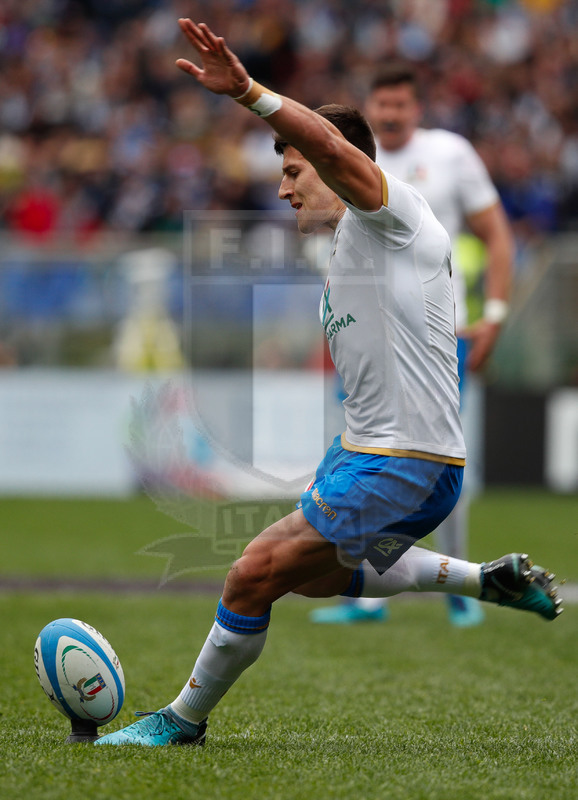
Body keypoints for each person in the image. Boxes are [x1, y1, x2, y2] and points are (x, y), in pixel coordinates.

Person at [95, 20, 562, 748]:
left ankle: (180, 722)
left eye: (293, 172)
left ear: (334, 165)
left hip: (404, 462)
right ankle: (483, 580)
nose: (284, 190)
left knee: (252, 572)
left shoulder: (394, 217)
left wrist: (248, 91)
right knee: (308, 579)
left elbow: (336, 148)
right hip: (368, 454)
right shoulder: (345, 250)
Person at [311, 63, 514, 628]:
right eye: (382, 105)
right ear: (370, 110)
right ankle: (373, 595)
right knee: (365, 459)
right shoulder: (353, 160)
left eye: (401, 104)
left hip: (434, 339)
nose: (392, 114)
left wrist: (494, 314)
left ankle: (458, 588)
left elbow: (496, 234)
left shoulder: (451, 155)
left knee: (440, 463)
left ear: (417, 109)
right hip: (369, 339)